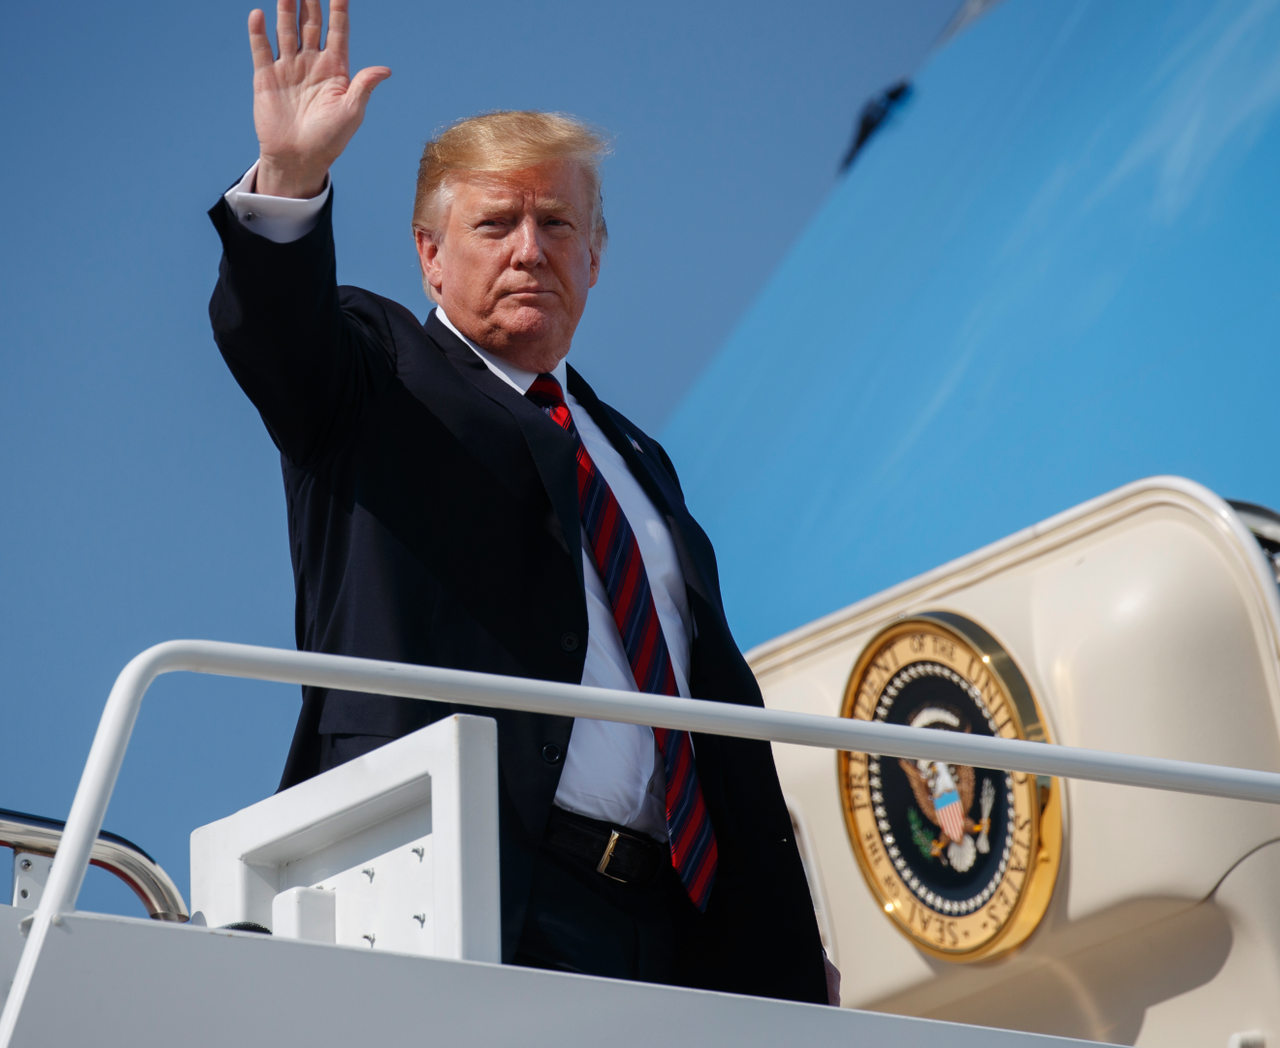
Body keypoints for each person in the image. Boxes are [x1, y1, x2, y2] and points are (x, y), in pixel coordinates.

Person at [208, 0, 835, 1005]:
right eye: (494, 224)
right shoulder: (372, 377)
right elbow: (275, 330)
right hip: (472, 885)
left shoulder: (637, 460)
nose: (528, 250)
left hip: (675, 918)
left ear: (595, 255)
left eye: (556, 224)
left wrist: (779, 932)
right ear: (427, 253)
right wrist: (288, 176)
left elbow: (704, 699)